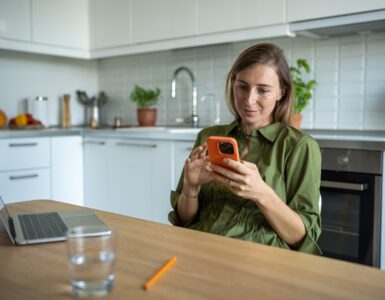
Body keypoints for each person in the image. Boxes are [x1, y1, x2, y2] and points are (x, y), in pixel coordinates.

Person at [168, 43, 321, 254]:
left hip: (259, 260)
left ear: (281, 91)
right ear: (233, 84)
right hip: (199, 249)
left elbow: (303, 239)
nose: (249, 100)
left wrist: (262, 194)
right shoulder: (208, 137)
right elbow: (184, 221)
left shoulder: (299, 147)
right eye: (242, 86)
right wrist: (190, 188)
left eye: (263, 90)